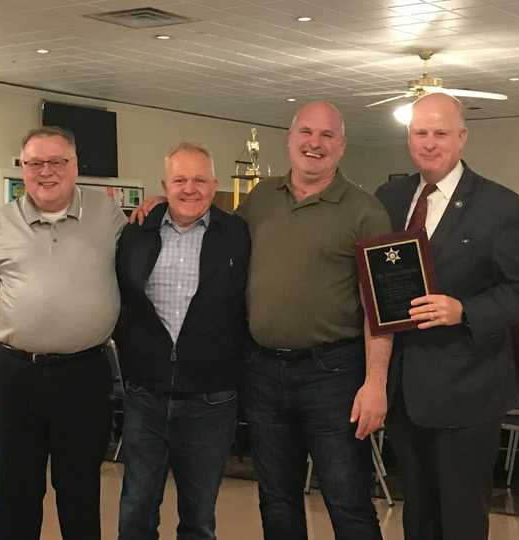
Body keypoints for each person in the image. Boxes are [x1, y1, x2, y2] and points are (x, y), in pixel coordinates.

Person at [133, 101, 394, 540]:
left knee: (346, 497)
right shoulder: (259, 200)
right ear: (290, 140)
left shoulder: (366, 212)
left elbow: (382, 308)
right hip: (263, 375)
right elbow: (205, 223)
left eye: (327, 136)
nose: (315, 143)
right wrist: (162, 205)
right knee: (276, 497)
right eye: (306, 133)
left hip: (333, 376)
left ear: (342, 146)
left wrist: (376, 383)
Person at [375, 93, 519, 540]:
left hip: (467, 391)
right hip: (404, 391)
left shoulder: (500, 205)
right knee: (418, 516)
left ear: (462, 138)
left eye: (440, 133)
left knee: (461, 517)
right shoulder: (389, 198)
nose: (429, 143)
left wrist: (464, 309)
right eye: (420, 133)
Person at [0, 126, 127, 540]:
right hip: (15, 375)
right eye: (35, 163)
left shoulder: (107, 215)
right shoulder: (1, 223)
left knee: (80, 492)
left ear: (75, 167)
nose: (46, 172)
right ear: (22, 167)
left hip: (85, 376)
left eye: (57, 162)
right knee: (15, 493)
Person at [115, 142, 250, 540]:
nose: (189, 189)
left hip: (211, 400)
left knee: (198, 518)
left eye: (199, 179)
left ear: (215, 184)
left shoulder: (238, 235)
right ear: (163, 185)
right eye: (179, 180)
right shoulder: (136, 233)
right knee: (136, 511)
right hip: (145, 395)